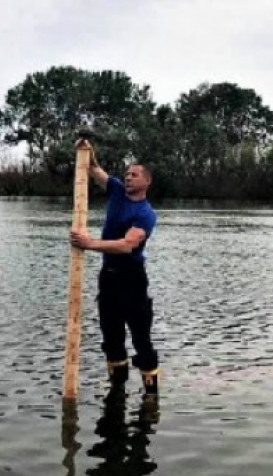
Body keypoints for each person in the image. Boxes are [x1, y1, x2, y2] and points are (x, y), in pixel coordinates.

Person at [69, 140, 160, 397]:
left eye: (135, 175)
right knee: (111, 338)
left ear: (147, 182)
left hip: (132, 280)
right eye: (127, 174)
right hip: (108, 278)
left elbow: (127, 245)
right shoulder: (117, 191)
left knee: (141, 338)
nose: (128, 178)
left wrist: (89, 244)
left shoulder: (145, 213)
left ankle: (151, 399)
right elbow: (94, 169)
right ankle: (116, 393)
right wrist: (87, 150)